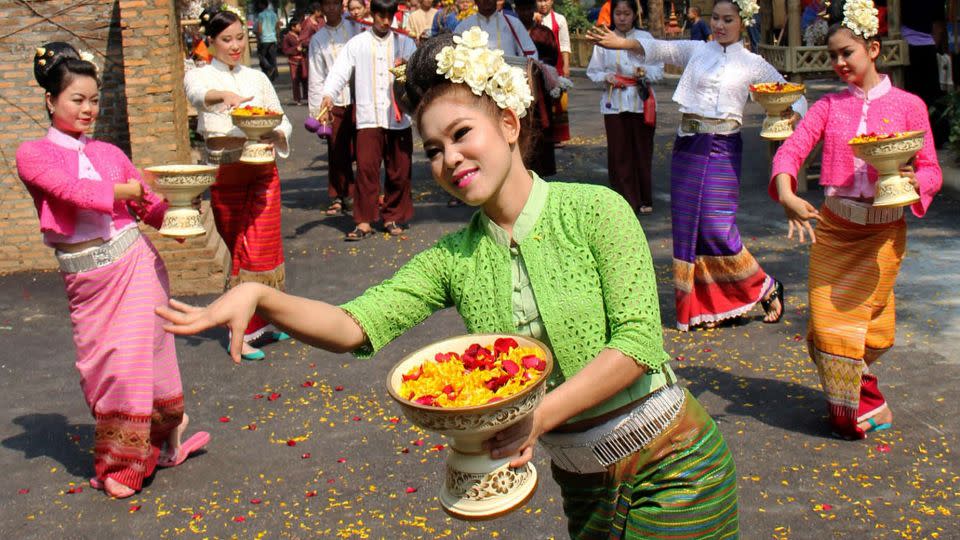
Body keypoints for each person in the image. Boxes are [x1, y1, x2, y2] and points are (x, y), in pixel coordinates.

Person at [158, 30, 740, 538]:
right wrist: (261, 295)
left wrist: (534, 419)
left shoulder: (596, 211)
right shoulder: (454, 259)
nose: (450, 159)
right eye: (433, 150)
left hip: (675, 464)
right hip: (584, 487)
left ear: (509, 124)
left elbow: (639, 345)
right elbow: (355, 326)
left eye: (463, 133)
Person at [16, 42, 209, 499]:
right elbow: (71, 192)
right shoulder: (33, 153)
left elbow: (149, 203)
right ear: (50, 100)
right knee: (103, 368)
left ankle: (129, 457)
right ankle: (163, 433)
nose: (87, 109)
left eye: (93, 99)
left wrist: (181, 215)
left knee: (139, 364)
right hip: (86, 278)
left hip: (135, 264)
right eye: (76, 100)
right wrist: (125, 189)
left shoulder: (108, 151)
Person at [769, 7, 942, 440]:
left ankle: (866, 399)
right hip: (835, 231)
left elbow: (932, 170)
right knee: (826, 329)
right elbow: (792, 149)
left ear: (873, 49)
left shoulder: (910, 106)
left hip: (883, 234)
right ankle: (864, 408)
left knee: (876, 334)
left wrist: (915, 180)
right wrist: (787, 192)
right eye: (832, 56)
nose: (839, 63)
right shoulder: (829, 106)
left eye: (847, 53)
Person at [588, 0, 805, 331]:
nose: (719, 25)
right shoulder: (697, 50)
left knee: (718, 228)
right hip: (687, 145)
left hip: (723, 146)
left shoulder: (753, 63)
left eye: (727, 20)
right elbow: (660, 49)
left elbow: (794, 95)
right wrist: (621, 43)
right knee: (691, 228)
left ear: (741, 23)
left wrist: (793, 113)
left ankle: (765, 286)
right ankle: (706, 308)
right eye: (715, 18)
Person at [184, 6, 293, 360]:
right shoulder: (200, 75)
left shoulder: (257, 78)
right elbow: (198, 96)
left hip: (262, 171)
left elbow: (281, 118)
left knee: (259, 248)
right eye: (226, 40)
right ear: (210, 42)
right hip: (226, 173)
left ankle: (252, 327)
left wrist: (274, 130)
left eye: (239, 38)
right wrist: (224, 97)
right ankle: (247, 325)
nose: (234, 46)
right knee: (239, 250)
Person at [319, 0, 417, 240]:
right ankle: (363, 221)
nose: (385, 21)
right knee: (366, 169)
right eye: (380, 15)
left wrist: (408, 69)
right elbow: (340, 71)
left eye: (389, 16)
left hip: (398, 117)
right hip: (367, 118)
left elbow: (417, 74)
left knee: (399, 170)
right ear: (372, 15)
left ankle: (393, 216)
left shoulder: (405, 43)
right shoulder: (357, 44)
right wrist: (329, 94)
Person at [587, 0, 662, 214]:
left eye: (626, 13)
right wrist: (607, 77)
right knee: (619, 153)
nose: (622, 18)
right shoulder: (604, 39)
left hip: (641, 101)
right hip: (614, 101)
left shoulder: (645, 39)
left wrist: (643, 73)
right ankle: (624, 201)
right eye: (618, 13)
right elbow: (593, 72)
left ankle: (644, 198)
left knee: (642, 150)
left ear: (634, 15)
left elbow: (659, 69)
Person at [309, 0, 362, 216]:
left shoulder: (356, 29)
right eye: (326, 5)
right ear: (321, 9)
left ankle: (365, 191)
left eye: (334, 4)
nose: (331, 9)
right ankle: (341, 194)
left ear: (342, 6)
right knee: (337, 148)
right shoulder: (317, 39)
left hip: (359, 97)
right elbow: (316, 76)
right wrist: (317, 111)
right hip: (333, 101)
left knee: (361, 148)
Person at [515, 0, 557, 176]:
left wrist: (537, 66)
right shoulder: (512, 30)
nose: (525, 12)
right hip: (517, 89)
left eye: (527, 8)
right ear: (516, 10)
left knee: (541, 132)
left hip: (539, 89)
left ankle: (543, 174)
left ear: (533, 10)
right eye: (521, 8)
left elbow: (552, 58)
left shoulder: (543, 33)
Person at [901, 0, 948, 147]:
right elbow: (938, 27)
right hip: (927, 48)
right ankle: (937, 138)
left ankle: (914, 137)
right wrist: (935, 46)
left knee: (911, 95)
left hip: (906, 46)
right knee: (932, 95)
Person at [535, 0, 570, 145]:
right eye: (540, 1)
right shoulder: (531, 19)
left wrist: (566, 65)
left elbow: (564, 44)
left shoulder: (560, 19)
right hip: (537, 65)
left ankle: (559, 135)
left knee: (558, 101)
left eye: (546, 0)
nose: (543, 4)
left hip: (556, 65)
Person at [455, 0, 538, 58]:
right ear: (475, 1)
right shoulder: (463, 27)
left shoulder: (513, 23)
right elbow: (455, 55)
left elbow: (531, 53)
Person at [281, 16, 309, 105]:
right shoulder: (287, 37)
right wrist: (296, 49)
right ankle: (297, 99)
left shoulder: (301, 35)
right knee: (295, 80)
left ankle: (306, 96)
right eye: (298, 26)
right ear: (293, 27)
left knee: (305, 78)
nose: (300, 28)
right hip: (294, 62)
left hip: (303, 60)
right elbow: (285, 50)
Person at [255, 1, 281, 81]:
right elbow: (277, 26)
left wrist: (259, 38)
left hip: (264, 39)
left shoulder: (261, 15)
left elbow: (259, 28)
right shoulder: (273, 14)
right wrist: (278, 36)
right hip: (273, 38)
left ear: (262, 5)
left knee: (261, 56)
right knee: (272, 57)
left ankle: (270, 68)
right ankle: (273, 75)